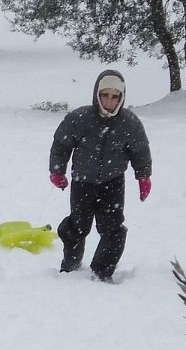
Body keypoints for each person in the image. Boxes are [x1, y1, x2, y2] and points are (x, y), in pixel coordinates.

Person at [48, 69, 153, 282]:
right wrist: (57, 171)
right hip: (82, 183)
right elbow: (61, 144)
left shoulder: (129, 124)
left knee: (113, 230)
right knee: (78, 227)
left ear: (121, 98)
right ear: (97, 94)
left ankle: (102, 272)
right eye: (105, 95)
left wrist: (143, 176)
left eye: (115, 97)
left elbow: (140, 151)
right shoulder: (80, 118)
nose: (109, 101)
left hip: (112, 183)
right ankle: (70, 266)